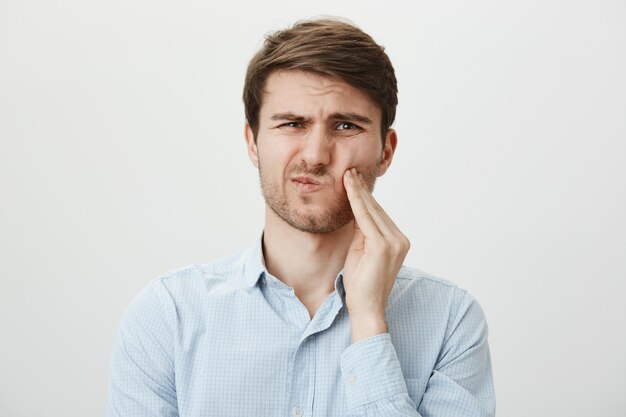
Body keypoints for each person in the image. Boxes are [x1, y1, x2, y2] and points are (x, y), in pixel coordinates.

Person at [107, 17, 496, 417]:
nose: (314, 155)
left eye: (346, 126)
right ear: (252, 143)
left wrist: (367, 324)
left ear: (386, 152)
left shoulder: (450, 320)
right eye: (292, 124)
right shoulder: (168, 315)